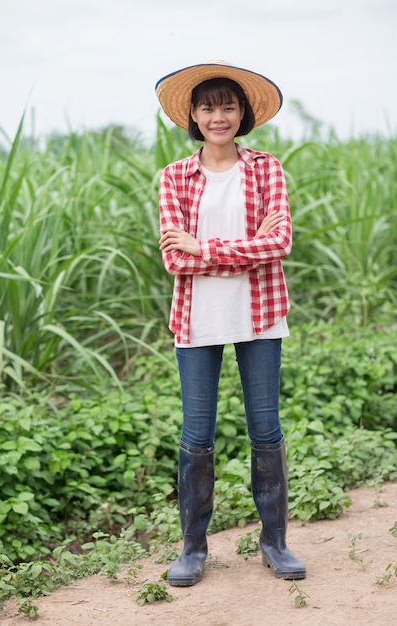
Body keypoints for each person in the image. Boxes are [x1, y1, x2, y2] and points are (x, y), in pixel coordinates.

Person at [155, 60, 306, 587]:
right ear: (193, 116)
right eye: (207, 106)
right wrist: (243, 249)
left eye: (228, 106)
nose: (218, 116)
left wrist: (206, 247)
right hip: (196, 320)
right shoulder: (174, 177)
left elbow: (280, 243)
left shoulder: (267, 169)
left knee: (266, 430)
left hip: (260, 315)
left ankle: (275, 543)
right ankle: (193, 549)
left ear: (242, 113)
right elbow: (176, 259)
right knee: (197, 436)